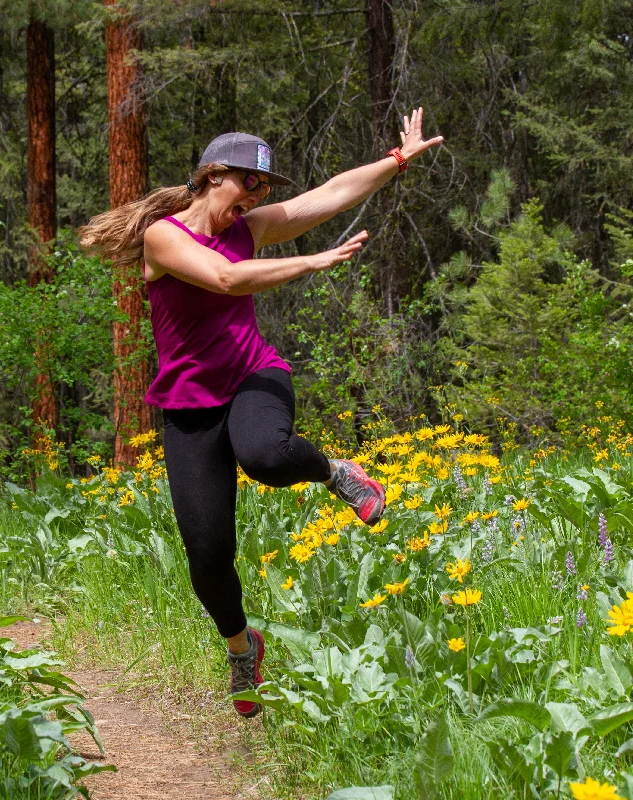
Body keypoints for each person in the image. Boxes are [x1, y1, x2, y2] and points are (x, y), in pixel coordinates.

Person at [80, 107, 444, 718]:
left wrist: (398, 159)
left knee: (267, 454)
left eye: (265, 188)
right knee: (206, 551)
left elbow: (329, 196)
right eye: (250, 183)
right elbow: (224, 280)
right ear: (213, 175)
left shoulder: (249, 225)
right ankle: (243, 646)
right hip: (190, 405)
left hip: (254, 375)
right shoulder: (164, 236)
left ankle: (337, 473)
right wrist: (312, 262)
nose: (257, 197)